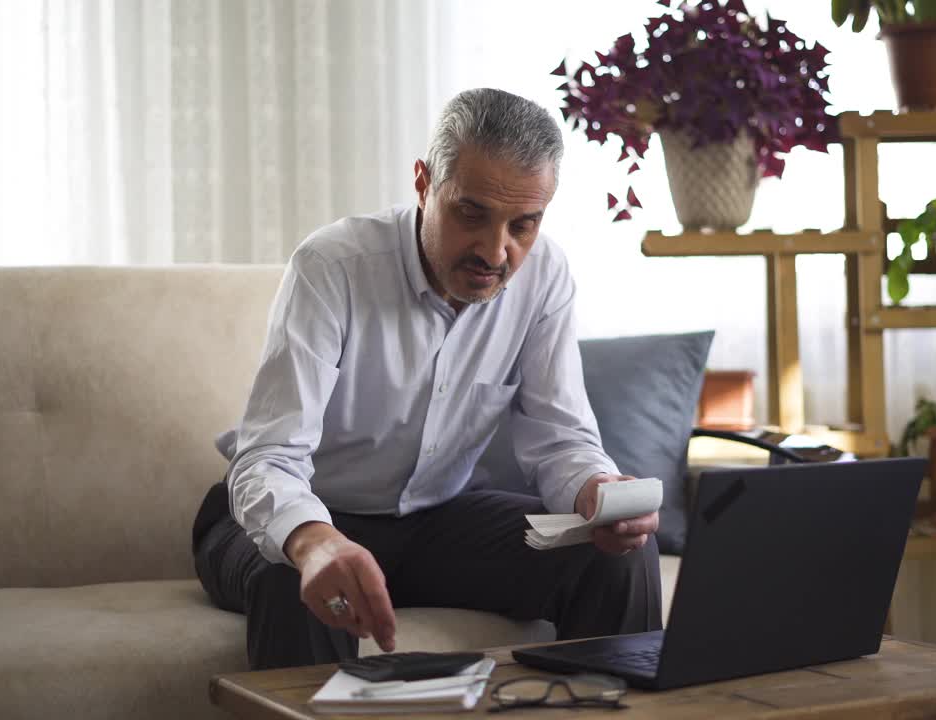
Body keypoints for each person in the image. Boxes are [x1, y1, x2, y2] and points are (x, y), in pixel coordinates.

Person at [191, 88, 662, 670]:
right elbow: (268, 457)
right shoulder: (332, 267)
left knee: (616, 556)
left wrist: (595, 491)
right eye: (472, 214)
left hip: (437, 521)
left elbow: (560, 439)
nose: (497, 250)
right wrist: (315, 542)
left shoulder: (545, 278)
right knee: (302, 582)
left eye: (523, 224)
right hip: (296, 514)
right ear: (423, 182)